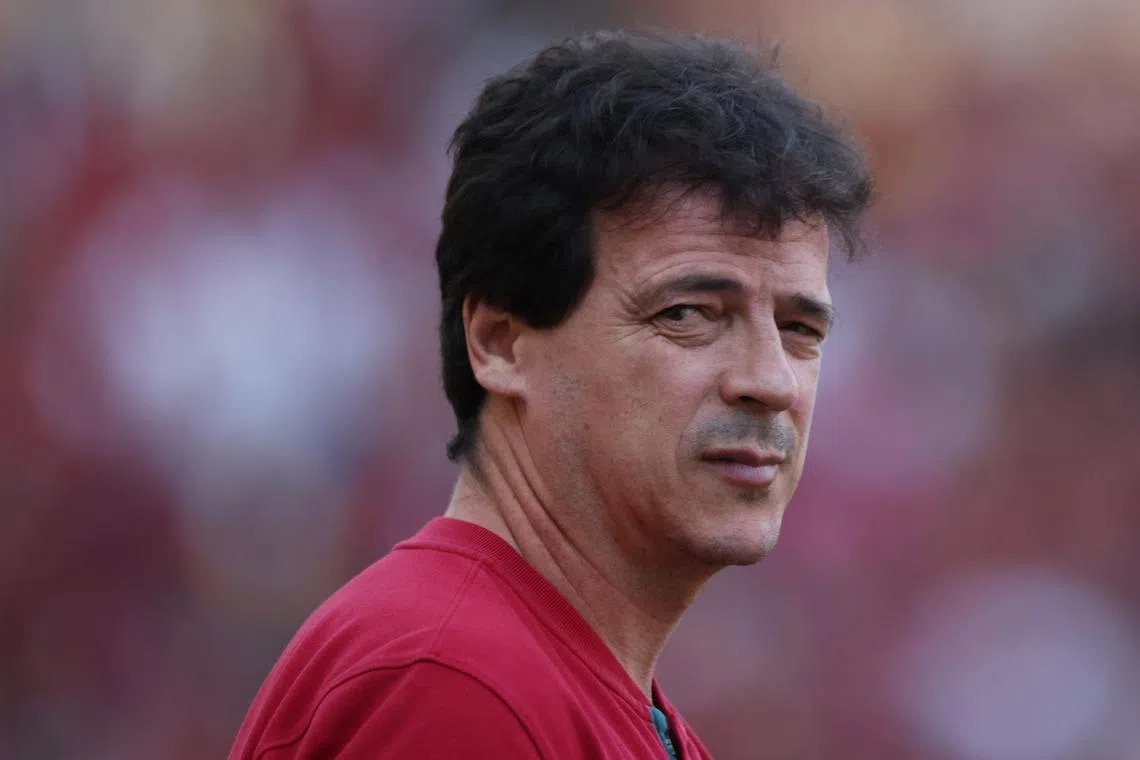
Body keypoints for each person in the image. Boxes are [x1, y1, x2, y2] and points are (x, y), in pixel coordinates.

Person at [229, 29, 872, 759]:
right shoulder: (454, 683)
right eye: (688, 314)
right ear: (500, 343)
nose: (769, 380)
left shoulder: (550, 685)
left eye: (799, 328)